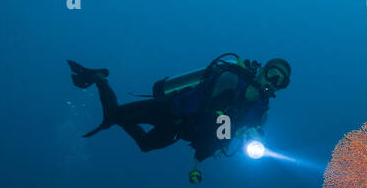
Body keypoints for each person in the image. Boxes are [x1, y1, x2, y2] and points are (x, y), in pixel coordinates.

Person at [68, 53, 290, 173]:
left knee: (145, 145)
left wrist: (249, 136)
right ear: (262, 71)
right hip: (171, 108)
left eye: (281, 81)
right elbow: (210, 109)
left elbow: (233, 134)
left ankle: (112, 106)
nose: (274, 82)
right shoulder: (234, 78)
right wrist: (233, 125)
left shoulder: (260, 113)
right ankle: (100, 79)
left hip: (182, 129)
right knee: (112, 116)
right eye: (273, 74)